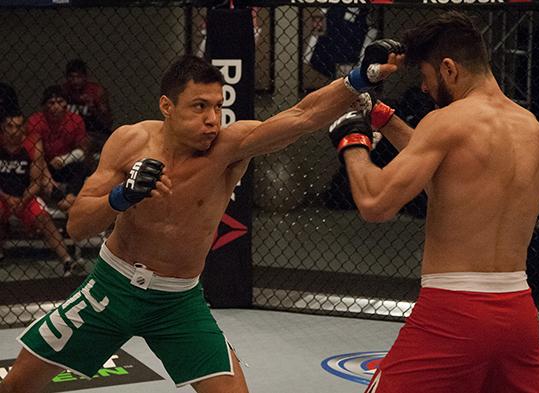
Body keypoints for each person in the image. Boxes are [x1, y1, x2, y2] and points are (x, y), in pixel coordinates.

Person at [0, 41, 403, 392]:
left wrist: (359, 77)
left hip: (177, 302)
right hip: (111, 288)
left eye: (217, 106)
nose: (212, 119)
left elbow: (301, 116)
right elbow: (77, 224)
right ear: (167, 107)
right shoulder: (130, 141)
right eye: (199, 107)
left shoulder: (228, 148)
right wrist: (123, 197)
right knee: (17, 385)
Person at [328, 12, 539, 393]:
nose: (424, 88)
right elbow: (452, 178)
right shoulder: (533, 130)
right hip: (519, 314)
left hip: (453, 313)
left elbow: (375, 202)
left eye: (427, 77)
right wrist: (381, 116)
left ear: (449, 69)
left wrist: (353, 143)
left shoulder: (447, 121)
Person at [0, 109, 77, 276]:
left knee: (43, 217)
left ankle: (67, 261)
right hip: (2, 194)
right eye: (10, 126)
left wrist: (21, 200)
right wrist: (7, 198)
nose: (14, 131)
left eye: (19, 127)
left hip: (26, 195)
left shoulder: (32, 144)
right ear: (2, 127)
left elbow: (37, 181)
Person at [27, 85, 92, 212]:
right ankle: (61, 200)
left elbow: (83, 150)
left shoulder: (75, 120)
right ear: (44, 106)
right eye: (51, 103)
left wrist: (64, 159)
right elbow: (35, 153)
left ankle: (70, 197)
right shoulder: (35, 121)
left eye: (60, 102)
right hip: (43, 165)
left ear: (66, 104)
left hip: (64, 165)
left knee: (81, 167)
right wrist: (46, 175)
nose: (56, 106)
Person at [62, 58, 113, 154]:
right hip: (69, 133)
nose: (75, 81)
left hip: (94, 133)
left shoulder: (96, 91)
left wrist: (93, 108)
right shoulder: (64, 91)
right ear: (67, 78)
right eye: (72, 77)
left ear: (85, 77)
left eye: (79, 77)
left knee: (86, 141)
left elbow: (108, 122)